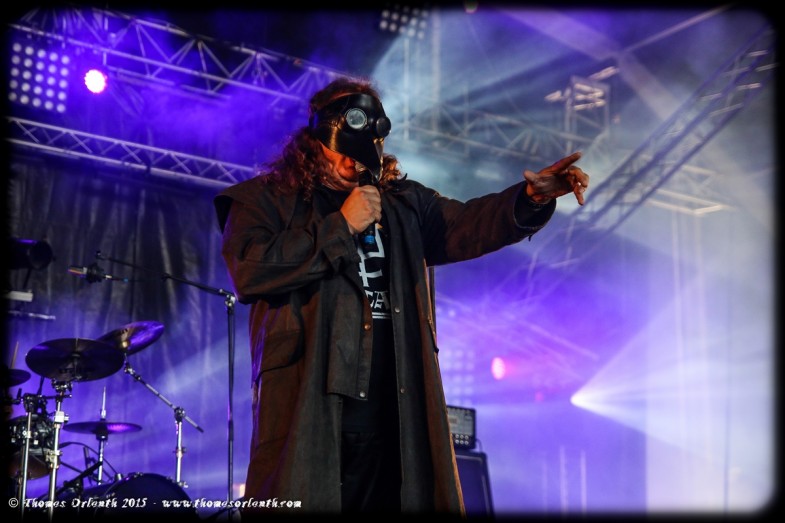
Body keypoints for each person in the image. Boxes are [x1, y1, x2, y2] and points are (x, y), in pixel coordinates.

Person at [213, 76, 589, 516]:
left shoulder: (404, 205)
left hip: (394, 401)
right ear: (315, 141)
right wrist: (341, 226)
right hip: (309, 400)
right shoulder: (266, 199)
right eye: (342, 151)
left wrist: (530, 199)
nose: (353, 162)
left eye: (363, 151)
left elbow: (469, 224)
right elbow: (250, 269)